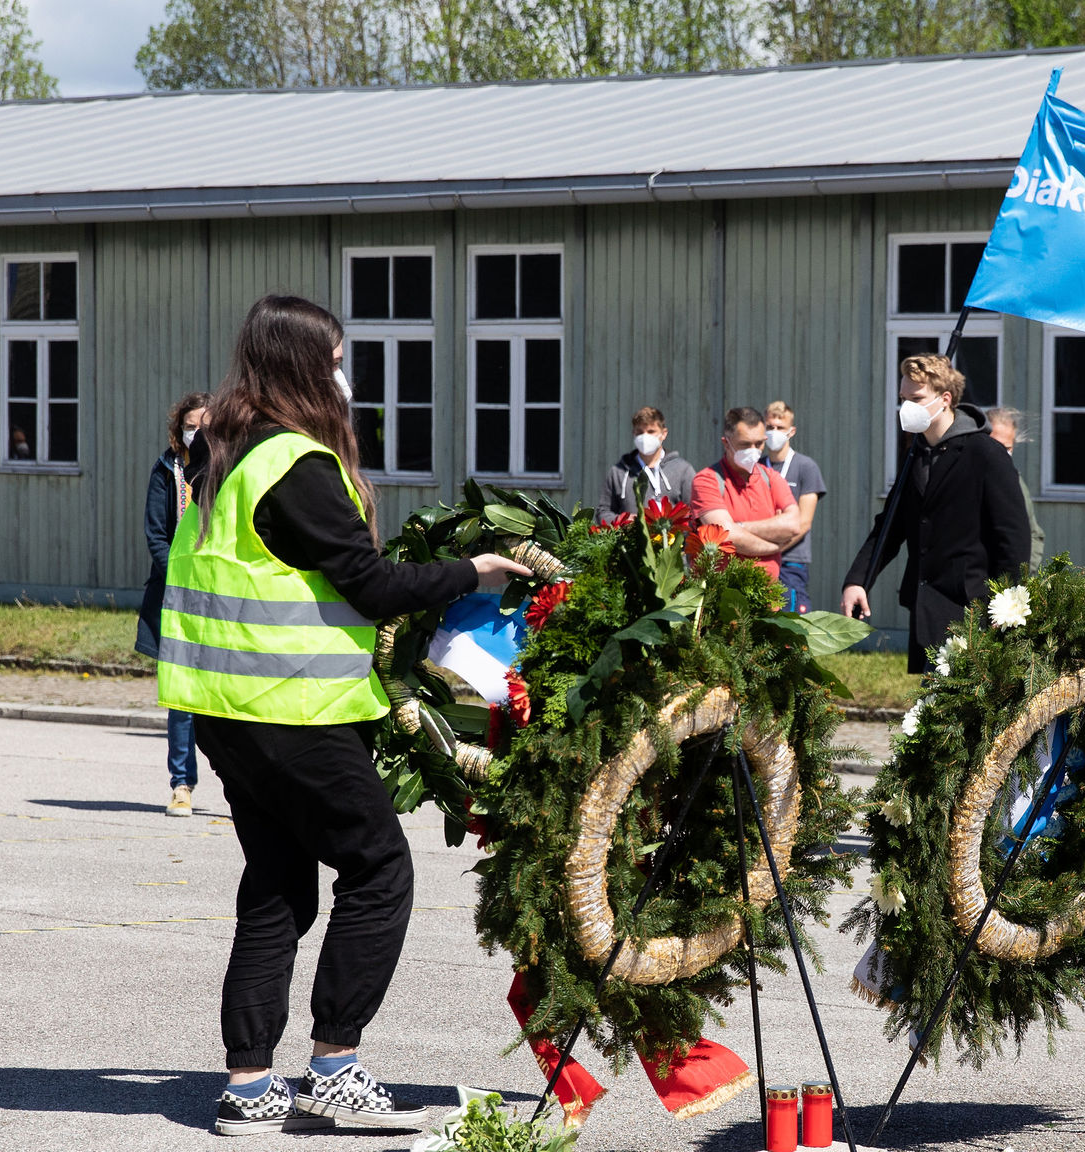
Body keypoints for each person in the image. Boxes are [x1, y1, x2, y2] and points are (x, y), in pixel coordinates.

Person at [157, 295, 532, 1135]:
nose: (342, 374)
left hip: (226, 711)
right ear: (301, 365)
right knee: (378, 869)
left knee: (278, 888)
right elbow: (370, 585)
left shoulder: (223, 453)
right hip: (295, 711)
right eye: (332, 359)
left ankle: (250, 1086)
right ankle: (335, 1066)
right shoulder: (296, 463)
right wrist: (470, 573)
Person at [841, 354, 1031, 673]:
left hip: (974, 612)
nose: (906, 407)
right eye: (903, 398)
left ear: (945, 399)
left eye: (916, 399)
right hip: (926, 610)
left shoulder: (986, 454)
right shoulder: (915, 455)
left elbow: (1013, 539)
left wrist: (1008, 607)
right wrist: (858, 580)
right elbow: (889, 527)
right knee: (931, 702)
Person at [137, 391, 212, 817]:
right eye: (190, 425)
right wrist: (182, 578)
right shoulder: (167, 469)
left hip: (223, 597)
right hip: (177, 595)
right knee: (182, 698)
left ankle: (244, 786)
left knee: (225, 698)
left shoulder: (230, 469)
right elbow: (156, 534)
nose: (196, 433)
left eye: (205, 425)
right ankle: (182, 784)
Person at [689, 407, 799, 580]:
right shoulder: (707, 480)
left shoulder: (771, 478)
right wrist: (774, 546)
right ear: (726, 443)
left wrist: (739, 526)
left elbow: (793, 525)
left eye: (759, 443)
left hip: (769, 592)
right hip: (722, 591)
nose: (753, 450)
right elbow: (725, 534)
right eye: (745, 444)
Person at [763, 400, 826, 612]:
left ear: (791, 431)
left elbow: (804, 522)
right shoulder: (757, 467)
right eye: (769, 427)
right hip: (758, 558)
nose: (774, 432)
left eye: (780, 427)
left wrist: (772, 549)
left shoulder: (805, 467)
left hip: (790, 559)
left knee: (790, 619)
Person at [599, 406, 696, 520]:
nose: (645, 437)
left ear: (663, 434)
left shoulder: (683, 470)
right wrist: (623, 521)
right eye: (640, 432)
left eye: (651, 431)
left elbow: (694, 511)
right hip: (632, 532)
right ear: (633, 434)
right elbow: (603, 512)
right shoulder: (619, 472)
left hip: (671, 531)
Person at [985, 406, 1045, 567]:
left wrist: (1025, 573)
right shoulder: (969, 477)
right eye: (996, 445)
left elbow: (1034, 534)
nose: (1001, 453)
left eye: (1007, 448)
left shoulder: (1015, 481)